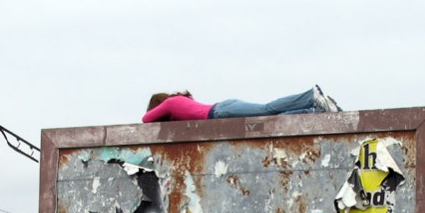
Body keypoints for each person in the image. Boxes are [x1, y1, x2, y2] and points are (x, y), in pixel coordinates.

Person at [142, 85, 340, 123]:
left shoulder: (170, 103)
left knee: (267, 110)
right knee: (273, 121)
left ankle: (310, 96)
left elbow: (146, 119)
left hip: (220, 112)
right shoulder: (177, 104)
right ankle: (313, 110)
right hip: (223, 109)